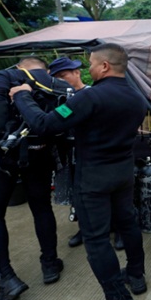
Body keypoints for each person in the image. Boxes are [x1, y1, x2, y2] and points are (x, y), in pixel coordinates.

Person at [9, 43, 147, 300]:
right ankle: (136, 275)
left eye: (92, 64)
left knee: (96, 240)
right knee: (127, 222)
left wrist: (23, 97)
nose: (89, 70)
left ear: (105, 66)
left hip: (94, 178)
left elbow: (45, 125)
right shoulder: (137, 97)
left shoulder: (90, 97)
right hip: (122, 173)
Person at [0, 56, 72, 300]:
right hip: (40, 154)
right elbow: (63, 118)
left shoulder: (2, 78)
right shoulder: (57, 84)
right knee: (41, 208)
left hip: (3, 158)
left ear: (20, 67)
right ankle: (50, 263)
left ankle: (6, 278)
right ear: (46, 69)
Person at [49, 56, 125, 251]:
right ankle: (84, 228)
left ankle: (118, 229)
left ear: (76, 72)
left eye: (63, 75)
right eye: (56, 77)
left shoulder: (93, 94)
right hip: (71, 153)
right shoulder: (56, 97)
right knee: (78, 195)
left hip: (98, 155)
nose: (60, 79)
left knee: (111, 195)